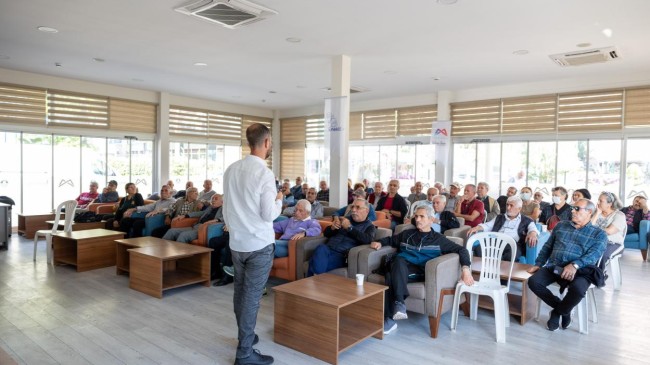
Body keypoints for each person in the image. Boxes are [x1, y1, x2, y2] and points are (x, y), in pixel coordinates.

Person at [223, 123, 282, 365]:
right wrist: (279, 200)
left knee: (241, 293)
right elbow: (269, 214)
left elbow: (226, 208)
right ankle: (245, 353)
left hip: (237, 243)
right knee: (252, 298)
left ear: (249, 142)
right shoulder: (265, 174)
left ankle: (245, 336)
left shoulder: (231, 169)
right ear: (267, 143)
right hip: (258, 243)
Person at [369, 205, 474, 334]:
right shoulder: (407, 234)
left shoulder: (438, 239)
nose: (418, 219)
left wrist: (465, 269)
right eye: (416, 216)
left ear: (431, 220)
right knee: (398, 262)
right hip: (401, 267)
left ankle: (391, 317)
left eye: (422, 216)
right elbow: (390, 239)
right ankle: (398, 305)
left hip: (420, 271)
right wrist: (380, 242)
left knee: (392, 272)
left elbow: (461, 250)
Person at [527, 198, 607, 332]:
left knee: (578, 290)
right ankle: (564, 309)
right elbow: (547, 247)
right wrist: (539, 263)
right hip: (555, 266)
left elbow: (594, 255)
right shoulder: (561, 225)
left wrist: (574, 265)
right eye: (572, 208)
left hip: (580, 271)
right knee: (533, 282)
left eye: (577, 208)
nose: (573, 211)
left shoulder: (599, 234)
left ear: (589, 212)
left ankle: (557, 312)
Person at [307, 198, 376, 276]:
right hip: (327, 249)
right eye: (352, 207)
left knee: (314, 261)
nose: (353, 210)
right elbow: (326, 233)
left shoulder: (370, 226)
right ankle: (316, 280)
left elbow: (367, 240)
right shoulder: (345, 219)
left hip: (341, 255)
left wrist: (350, 228)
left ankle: (312, 280)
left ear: (366, 211)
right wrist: (332, 228)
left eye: (357, 207)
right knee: (321, 248)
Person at [467, 195, 539, 261]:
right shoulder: (499, 217)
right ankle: (485, 270)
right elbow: (487, 225)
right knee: (479, 248)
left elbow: (533, 229)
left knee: (512, 254)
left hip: (513, 244)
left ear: (519, 208)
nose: (508, 208)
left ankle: (502, 272)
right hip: (495, 241)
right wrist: (477, 227)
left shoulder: (526, 220)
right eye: (507, 205)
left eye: (511, 206)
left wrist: (532, 233)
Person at [591, 191, 626, 272]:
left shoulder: (619, 215)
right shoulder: (596, 213)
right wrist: (596, 214)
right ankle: (583, 274)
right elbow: (588, 227)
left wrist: (593, 229)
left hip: (613, 243)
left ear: (609, 204)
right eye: (598, 200)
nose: (598, 203)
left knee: (600, 255)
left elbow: (609, 231)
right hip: (596, 241)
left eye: (601, 201)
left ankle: (598, 276)